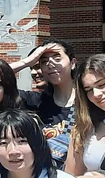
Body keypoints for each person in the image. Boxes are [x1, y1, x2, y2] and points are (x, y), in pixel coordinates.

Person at [12, 40, 78, 169]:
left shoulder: (90, 101)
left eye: (57, 58)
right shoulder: (35, 101)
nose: (51, 64)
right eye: (44, 61)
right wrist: (27, 62)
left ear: (73, 63)